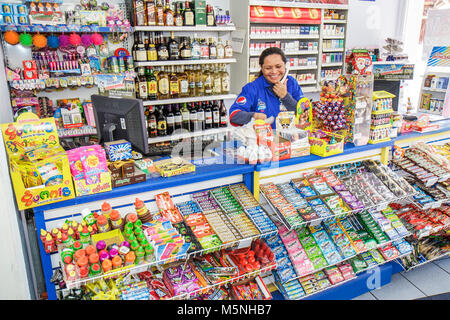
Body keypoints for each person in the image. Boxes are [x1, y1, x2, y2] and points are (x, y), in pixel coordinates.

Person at [229, 47, 304, 129]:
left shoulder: (291, 83)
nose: (274, 72)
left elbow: (304, 114)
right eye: (268, 68)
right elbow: (234, 116)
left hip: (290, 138)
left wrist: (285, 97)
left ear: (285, 65)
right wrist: (253, 116)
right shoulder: (252, 88)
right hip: (262, 139)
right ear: (262, 67)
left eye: (278, 66)